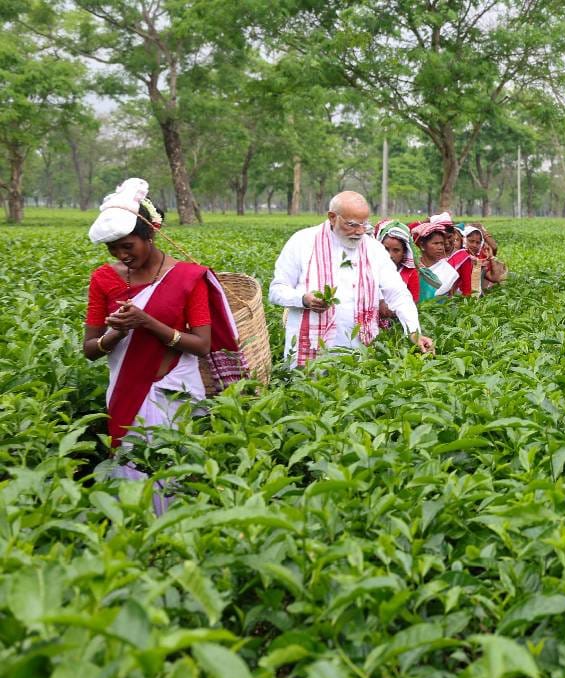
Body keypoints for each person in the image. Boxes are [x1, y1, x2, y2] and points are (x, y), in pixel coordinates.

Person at [82, 178, 243, 514]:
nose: (121, 256)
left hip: (176, 390)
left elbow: (201, 344)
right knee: (131, 475)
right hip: (127, 389)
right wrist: (115, 335)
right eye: (113, 248)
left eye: (128, 246)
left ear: (149, 235)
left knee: (176, 471)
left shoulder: (186, 278)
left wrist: (147, 323)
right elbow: (90, 349)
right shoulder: (103, 279)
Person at [270, 191, 433, 366]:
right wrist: (303, 299)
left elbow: (398, 294)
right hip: (309, 347)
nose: (360, 231)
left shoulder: (374, 249)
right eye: (353, 225)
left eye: (364, 224)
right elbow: (276, 290)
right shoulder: (302, 242)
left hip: (358, 349)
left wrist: (414, 332)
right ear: (332, 217)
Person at [410, 213, 460, 300]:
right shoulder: (413, 267)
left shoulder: (449, 272)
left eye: (441, 244)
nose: (440, 247)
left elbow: (450, 299)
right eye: (436, 243)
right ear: (422, 245)